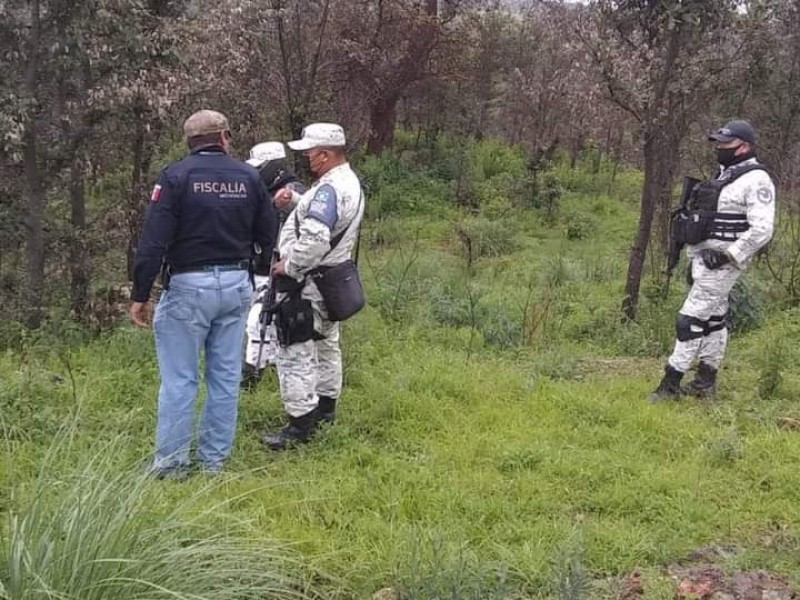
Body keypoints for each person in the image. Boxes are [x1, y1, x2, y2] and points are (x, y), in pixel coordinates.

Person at [130, 109, 278, 478]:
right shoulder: (249, 177)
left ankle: (172, 465)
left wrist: (141, 292)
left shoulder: (175, 177)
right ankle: (214, 462)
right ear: (224, 137)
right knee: (225, 377)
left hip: (188, 286)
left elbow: (153, 241)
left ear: (188, 141)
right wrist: (255, 272)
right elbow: (268, 232)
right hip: (235, 286)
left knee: (180, 380)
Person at [650, 119, 776, 402]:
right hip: (702, 258)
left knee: (689, 319)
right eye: (718, 142)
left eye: (725, 143)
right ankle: (705, 381)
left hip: (722, 263)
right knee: (714, 319)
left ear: (744, 146)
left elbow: (763, 229)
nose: (719, 147)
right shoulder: (725, 174)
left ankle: (670, 383)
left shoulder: (756, 180)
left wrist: (729, 255)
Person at [260, 123, 364, 450]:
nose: (307, 159)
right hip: (332, 280)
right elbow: (327, 219)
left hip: (307, 284)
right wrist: (296, 202)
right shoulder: (349, 182)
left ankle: (298, 424)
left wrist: (289, 266)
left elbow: (317, 236)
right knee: (327, 344)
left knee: (295, 349)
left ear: (325, 153)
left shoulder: (328, 189)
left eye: (310, 153)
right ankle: (325, 409)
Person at [240, 142, 306, 389]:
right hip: (259, 267)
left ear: (273, 167)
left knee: (258, 322)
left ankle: (251, 378)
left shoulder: (293, 193)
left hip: (280, 269)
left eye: (260, 168)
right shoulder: (261, 192)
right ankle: (268, 371)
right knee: (261, 323)